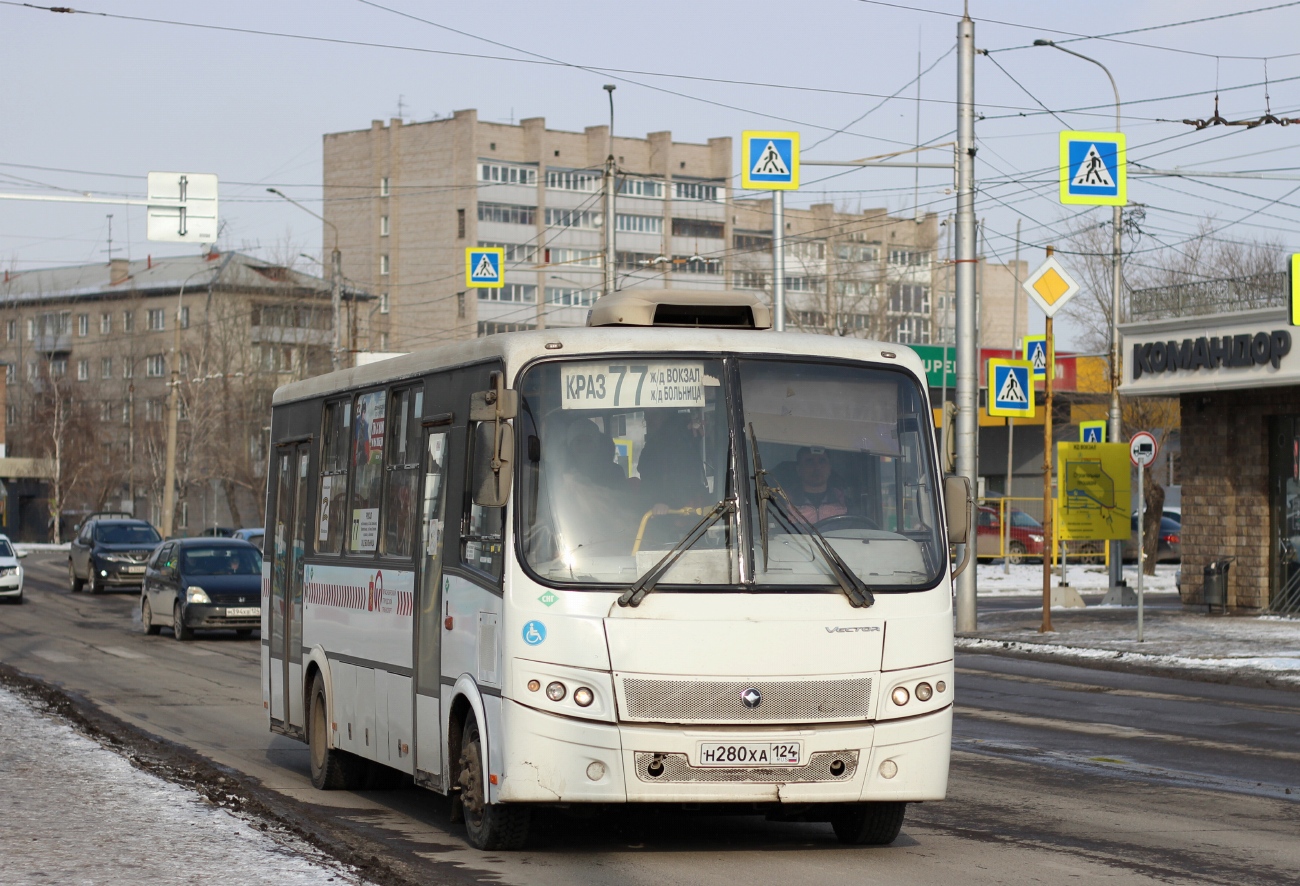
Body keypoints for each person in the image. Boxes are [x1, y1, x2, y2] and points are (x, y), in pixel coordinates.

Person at [787, 446, 848, 523]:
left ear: (830, 468)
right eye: (810, 461)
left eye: (822, 461)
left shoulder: (845, 502)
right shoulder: (784, 503)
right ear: (799, 469)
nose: (817, 467)